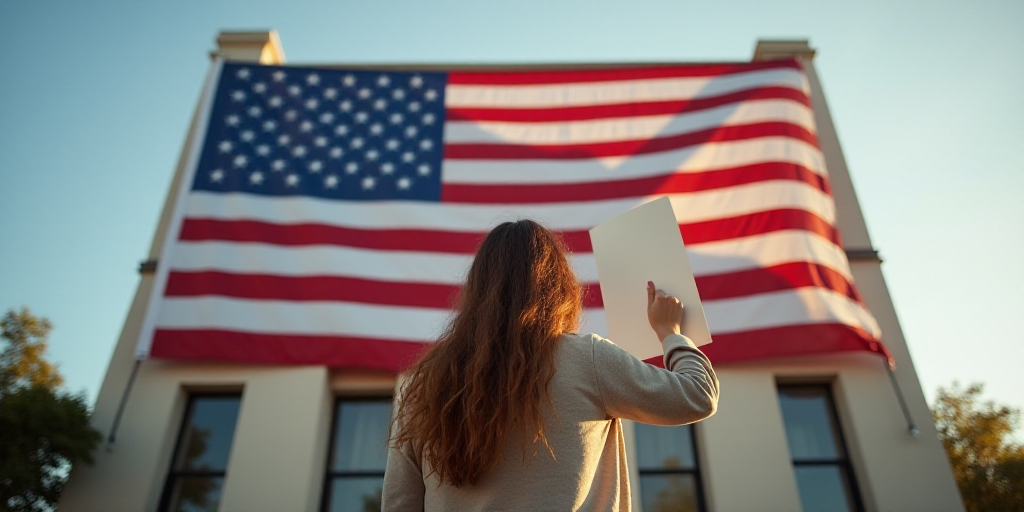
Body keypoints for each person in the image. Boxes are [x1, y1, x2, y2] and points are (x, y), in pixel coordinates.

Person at [382, 219, 719, 512]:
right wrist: (670, 334)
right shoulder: (587, 358)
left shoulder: (423, 384)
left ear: (476, 289)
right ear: (558, 286)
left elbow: (399, 503)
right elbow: (698, 395)